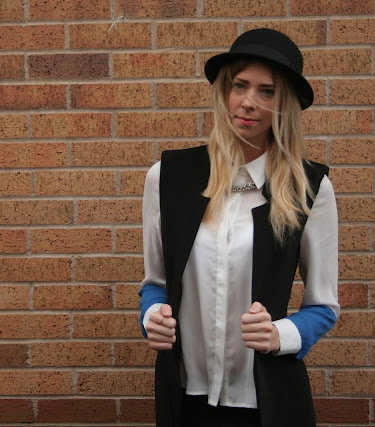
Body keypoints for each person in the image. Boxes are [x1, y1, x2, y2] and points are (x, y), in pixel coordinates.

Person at [138, 28, 339, 427]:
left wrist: (280, 334)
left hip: (267, 401)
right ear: (224, 92)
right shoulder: (167, 177)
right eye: (240, 85)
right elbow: (155, 282)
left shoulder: (309, 188)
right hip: (185, 398)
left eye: (267, 91)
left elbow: (323, 306)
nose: (248, 102)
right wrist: (152, 317)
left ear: (284, 104)